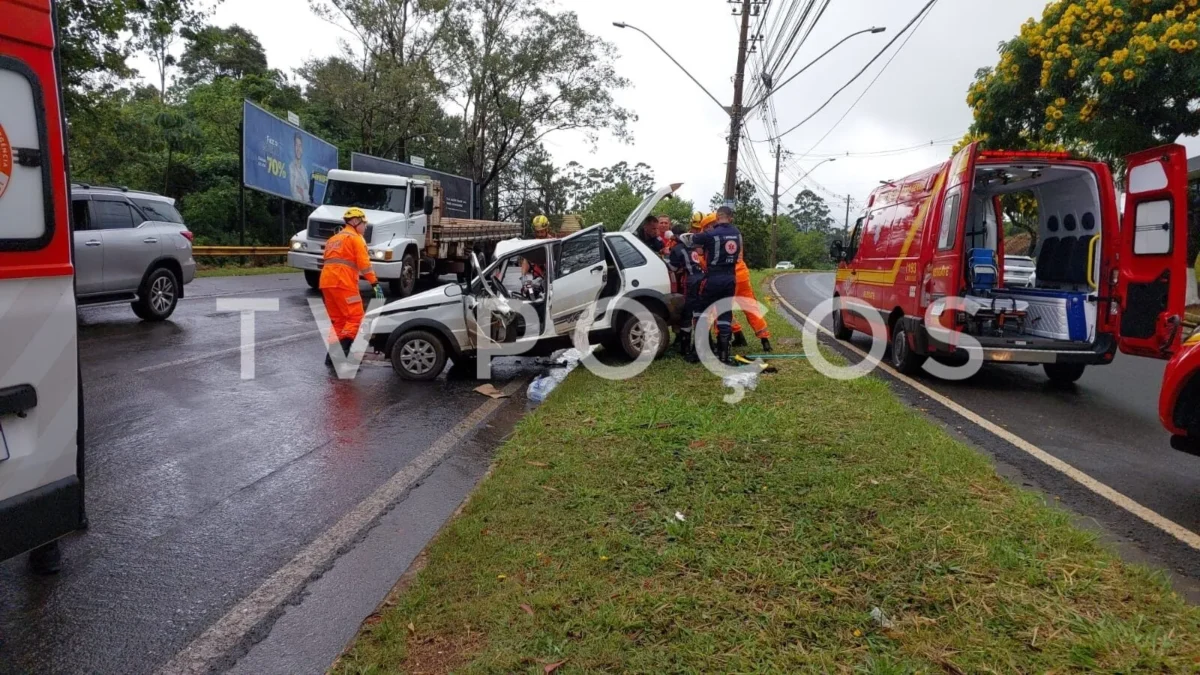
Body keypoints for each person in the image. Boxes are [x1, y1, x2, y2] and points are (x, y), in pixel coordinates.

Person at [320, 207, 380, 366]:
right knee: (355, 318)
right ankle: (344, 354)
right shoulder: (356, 238)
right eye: (364, 223)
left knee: (338, 321)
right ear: (355, 221)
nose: (365, 226)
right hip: (344, 283)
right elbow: (364, 264)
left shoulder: (333, 239)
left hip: (327, 282)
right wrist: (374, 283)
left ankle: (332, 357)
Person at [690, 206, 741, 364]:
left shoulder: (710, 234)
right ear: (730, 217)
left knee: (702, 311)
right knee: (725, 315)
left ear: (717, 217)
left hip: (713, 278)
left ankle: (700, 352)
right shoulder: (737, 233)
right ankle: (724, 356)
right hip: (730, 278)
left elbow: (693, 239)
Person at [668, 221, 707, 359]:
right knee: (700, 312)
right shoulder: (692, 248)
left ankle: (685, 348)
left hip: (691, 282)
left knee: (688, 314)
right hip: (702, 279)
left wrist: (665, 259)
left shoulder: (677, 249)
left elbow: (672, 268)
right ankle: (699, 345)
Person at [289, 132, 310, 204]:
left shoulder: (304, 171)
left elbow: (309, 195)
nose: (298, 149)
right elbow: (293, 192)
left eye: (300, 146)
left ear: (302, 149)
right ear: (293, 147)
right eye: (296, 145)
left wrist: (302, 191)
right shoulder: (290, 167)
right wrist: (304, 192)